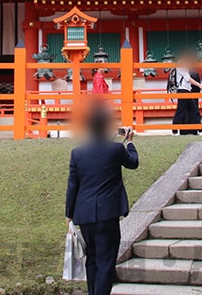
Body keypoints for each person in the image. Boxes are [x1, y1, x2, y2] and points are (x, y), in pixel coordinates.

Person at [65, 106, 139, 295]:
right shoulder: (115, 149)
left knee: (92, 259)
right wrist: (129, 142)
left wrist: (69, 214)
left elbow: (73, 185)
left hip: (85, 214)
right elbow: (133, 163)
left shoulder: (77, 153)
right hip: (108, 213)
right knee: (106, 261)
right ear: (107, 126)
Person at [170, 49, 202, 136]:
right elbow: (187, 78)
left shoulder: (183, 65)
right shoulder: (181, 65)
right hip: (183, 90)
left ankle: (200, 130)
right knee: (181, 111)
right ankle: (175, 130)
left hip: (186, 90)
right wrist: (199, 85)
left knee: (194, 110)